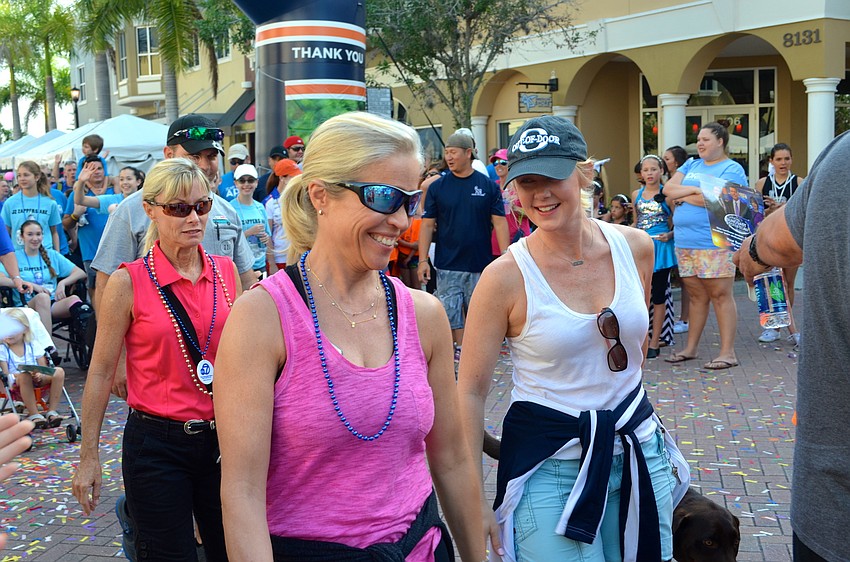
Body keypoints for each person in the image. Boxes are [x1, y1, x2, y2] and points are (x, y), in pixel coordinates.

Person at [214, 111, 485, 561]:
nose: (399, 221)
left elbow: (452, 460)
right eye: (383, 197)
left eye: (410, 200)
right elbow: (241, 493)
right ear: (320, 195)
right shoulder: (262, 319)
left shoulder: (424, 314)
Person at [457, 115, 688, 562]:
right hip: (551, 465)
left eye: (554, 177)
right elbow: (468, 391)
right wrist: (473, 500)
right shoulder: (503, 278)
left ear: (585, 172)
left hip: (639, 451)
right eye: (527, 182)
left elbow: (633, 352)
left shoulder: (636, 247)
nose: (541, 194)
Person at [72, 158, 241, 561]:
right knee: (168, 554)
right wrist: (88, 457)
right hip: (156, 446)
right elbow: (99, 372)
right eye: (178, 208)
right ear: (150, 209)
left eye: (202, 206)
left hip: (223, 441)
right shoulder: (128, 281)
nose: (193, 218)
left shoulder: (227, 271)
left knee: (230, 550)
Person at [733, 131, 849, 562]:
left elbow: (773, 242)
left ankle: (785, 321)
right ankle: (778, 323)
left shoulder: (840, 161)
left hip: (835, 504)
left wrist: (751, 253)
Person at [90, 113, 256, 321]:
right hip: (156, 342)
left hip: (220, 343)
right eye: (194, 156)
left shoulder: (226, 211)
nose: (204, 165)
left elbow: (245, 280)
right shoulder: (131, 211)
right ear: (169, 154)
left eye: (211, 156)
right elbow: (107, 285)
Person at [662, 122, 747, 370]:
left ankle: (727, 352)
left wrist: (683, 195)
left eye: (706, 139)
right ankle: (691, 348)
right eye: (698, 139)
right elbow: (668, 189)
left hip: (714, 243)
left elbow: (719, 201)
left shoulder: (732, 169)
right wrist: (695, 190)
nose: (700, 143)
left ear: (720, 141)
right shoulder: (691, 164)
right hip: (685, 242)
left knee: (720, 295)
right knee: (697, 296)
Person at [416, 133, 509, 357]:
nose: (449, 156)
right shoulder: (438, 187)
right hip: (447, 263)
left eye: (453, 152)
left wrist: (507, 255)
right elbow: (427, 225)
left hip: (479, 263)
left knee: (479, 312)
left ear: (468, 153)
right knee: (450, 313)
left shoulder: (487, 186)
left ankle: (474, 350)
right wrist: (422, 260)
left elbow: (499, 222)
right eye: (447, 152)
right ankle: (457, 351)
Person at [753, 143, 803, 347]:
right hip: (768, 239)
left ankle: (784, 326)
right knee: (770, 281)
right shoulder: (761, 184)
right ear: (771, 161)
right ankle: (771, 326)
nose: (783, 163)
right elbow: (753, 214)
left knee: (788, 283)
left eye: (787, 159)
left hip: (790, 240)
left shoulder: (799, 182)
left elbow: (802, 211)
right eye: (779, 159)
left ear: (791, 160)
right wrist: (766, 212)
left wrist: (781, 207)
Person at [0, 220, 88, 332]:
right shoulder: (14, 257)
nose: (35, 238)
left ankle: (89, 340)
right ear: (22, 237)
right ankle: (49, 347)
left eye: (38, 234)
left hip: (52, 304)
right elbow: (1, 279)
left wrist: (63, 283)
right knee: (43, 297)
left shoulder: (52, 255)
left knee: (75, 300)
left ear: (43, 236)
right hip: (26, 305)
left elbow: (80, 272)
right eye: (30, 234)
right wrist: (26, 283)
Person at [632, 154, 676, 358]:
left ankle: (655, 341)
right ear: (641, 173)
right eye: (646, 169)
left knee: (658, 296)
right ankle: (640, 338)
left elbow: (678, 222)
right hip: (640, 248)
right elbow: (635, 222)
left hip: (661, 249)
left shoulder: (668, 195)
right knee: (639, 296)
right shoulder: (636, 195)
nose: (649, 173)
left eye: (653, 169)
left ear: (661, 171)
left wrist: (671, 234)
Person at [0, 308, 67, 429]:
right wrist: (23, 374)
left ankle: (51, 411)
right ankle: (34, 414)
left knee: (58, 371)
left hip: (37, 377)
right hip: (17, 383)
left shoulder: (33, 345)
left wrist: (39, 374)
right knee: (25, 375)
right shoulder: (3, 350)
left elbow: (43, 367)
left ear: (24, 329)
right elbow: (5, 374)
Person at [65, 156, 113, 305]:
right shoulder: (78, 194)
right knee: (95, 291)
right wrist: (75, 215)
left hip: (115, 251)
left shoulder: (115, 191)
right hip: (91, 253)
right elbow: (66, 224)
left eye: (99, 168)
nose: (96, 172)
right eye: (91, 169)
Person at [2, 161, 62, 252]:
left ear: (37, 177)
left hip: (45, 254)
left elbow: (54, 232)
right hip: (19, 254)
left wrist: (57, 256)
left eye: (26, 175)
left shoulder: (50, 203)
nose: (22, 179)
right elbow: (5, 233)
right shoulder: (10, 203)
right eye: (19, 175)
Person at [662, 145, 691, 335]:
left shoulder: (683, 183)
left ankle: (686, 318)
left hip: (681, 235)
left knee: (685, 279)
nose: (664, 162)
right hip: (668, 235)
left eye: (667, 159)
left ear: (677, 162)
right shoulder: (665, 182)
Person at [490, 148, 532, 260]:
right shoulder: (493, 187)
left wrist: (515, 208)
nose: (498, 166)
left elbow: (532, 213)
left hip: (519, 239)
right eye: (495, 163)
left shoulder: (520, 187)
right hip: (497, 241)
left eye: (503, 162)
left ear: (511, 164)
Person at [231, 164, 270, 277]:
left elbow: (267, 235)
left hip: (260, 263)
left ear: (257, 182)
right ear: (236, 183)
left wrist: (266, 238)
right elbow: (228, 241)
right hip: (241, 266)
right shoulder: (230, 208)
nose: (246, 184)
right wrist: (249, 232)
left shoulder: (260, 207)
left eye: (250, 180)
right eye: (242, 181)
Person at [264, 159, 301, 275]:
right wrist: (272, 263)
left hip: (297, 257)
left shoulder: (297, 198)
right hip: (279, 258)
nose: (296, 180)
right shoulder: (269, 202)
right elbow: (267, 235)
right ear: (282, 178)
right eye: (292, 176)